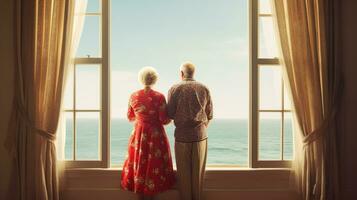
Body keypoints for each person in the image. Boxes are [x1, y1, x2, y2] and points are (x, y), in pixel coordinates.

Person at [121, 67, 175, 200]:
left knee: (139, 161)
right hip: (155, 134)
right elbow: (164, 120)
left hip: (139, 133)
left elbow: (130, 117)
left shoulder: (133, 95)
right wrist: (171, 117)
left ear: (141, 79)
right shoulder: (159, 97)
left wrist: (141, 119)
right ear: (154, 79)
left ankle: (139, 194)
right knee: (154, 162)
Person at [167, 62, 213, 200]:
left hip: (181, 137)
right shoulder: (204, 88)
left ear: (181, 74)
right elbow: (209, 114)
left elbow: (169, 113)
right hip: (200, 136)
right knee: (198, 177)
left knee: (184, 177)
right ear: (194, 73)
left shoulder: (174, 88)